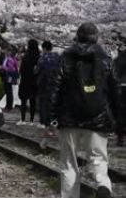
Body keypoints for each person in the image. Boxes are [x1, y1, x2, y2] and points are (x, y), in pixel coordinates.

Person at [48, 23, 118, 198]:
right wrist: (116, 119)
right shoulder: (106, 58)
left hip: (68, 118)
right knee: (98, 158)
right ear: (97, 37)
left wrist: (51, 117)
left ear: (77, 37)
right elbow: (115, 90)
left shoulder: (65, 57)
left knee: (69, 163)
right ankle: (102, 183)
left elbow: (54, 88)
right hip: (98, 117)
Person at [36, 41, 62, 132]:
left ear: (44, 48)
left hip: (44, 83)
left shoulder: (42, 58)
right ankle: (53, 121)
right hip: (56, 83)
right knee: (53, 103)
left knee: (43, 103)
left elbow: (37, 71)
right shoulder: (58, 57)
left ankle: (44, 122)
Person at [18, 39, 41, 125]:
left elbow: (21, 70)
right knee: (33, 101)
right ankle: (31, 120)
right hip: (34, 81)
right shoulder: (38, 57)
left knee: (23, 101)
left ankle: (23, 119)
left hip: (25, 80)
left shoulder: (25, 57)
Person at [115, 49, 126, 146]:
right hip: (122, 86)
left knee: (121, 113)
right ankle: (120, 137)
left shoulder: (121, 56)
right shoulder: (121, 57)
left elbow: (115, 72)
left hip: (122, 86)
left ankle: (120, 138)